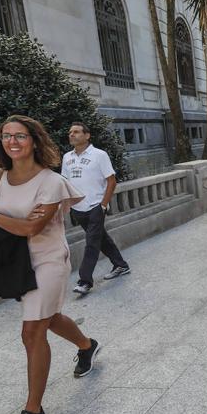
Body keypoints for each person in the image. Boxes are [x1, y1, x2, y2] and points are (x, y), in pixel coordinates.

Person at [0, 115, 100, 414]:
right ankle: (87, 346)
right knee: (51, 318)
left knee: (32, 330)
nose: (12, 142)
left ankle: (33, 412)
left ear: (34, 140)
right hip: (16, 262)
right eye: (6, 136)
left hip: (48, 260)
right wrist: (2, 219)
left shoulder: (50, 181)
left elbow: (32, 229)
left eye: (20, 136)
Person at [62, 122, 130, 294]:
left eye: (76, 132)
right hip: (78, 209)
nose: (72, 134)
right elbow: (64, 182)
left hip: (95, 206)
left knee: (92, 242)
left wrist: (103, 205)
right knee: (101, 239)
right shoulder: (67, 157)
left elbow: (111, 180)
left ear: (87, 135)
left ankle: (85, 281)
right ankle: (121, 265)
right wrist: (68, 204)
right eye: (70, 132)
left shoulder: (99, 155)